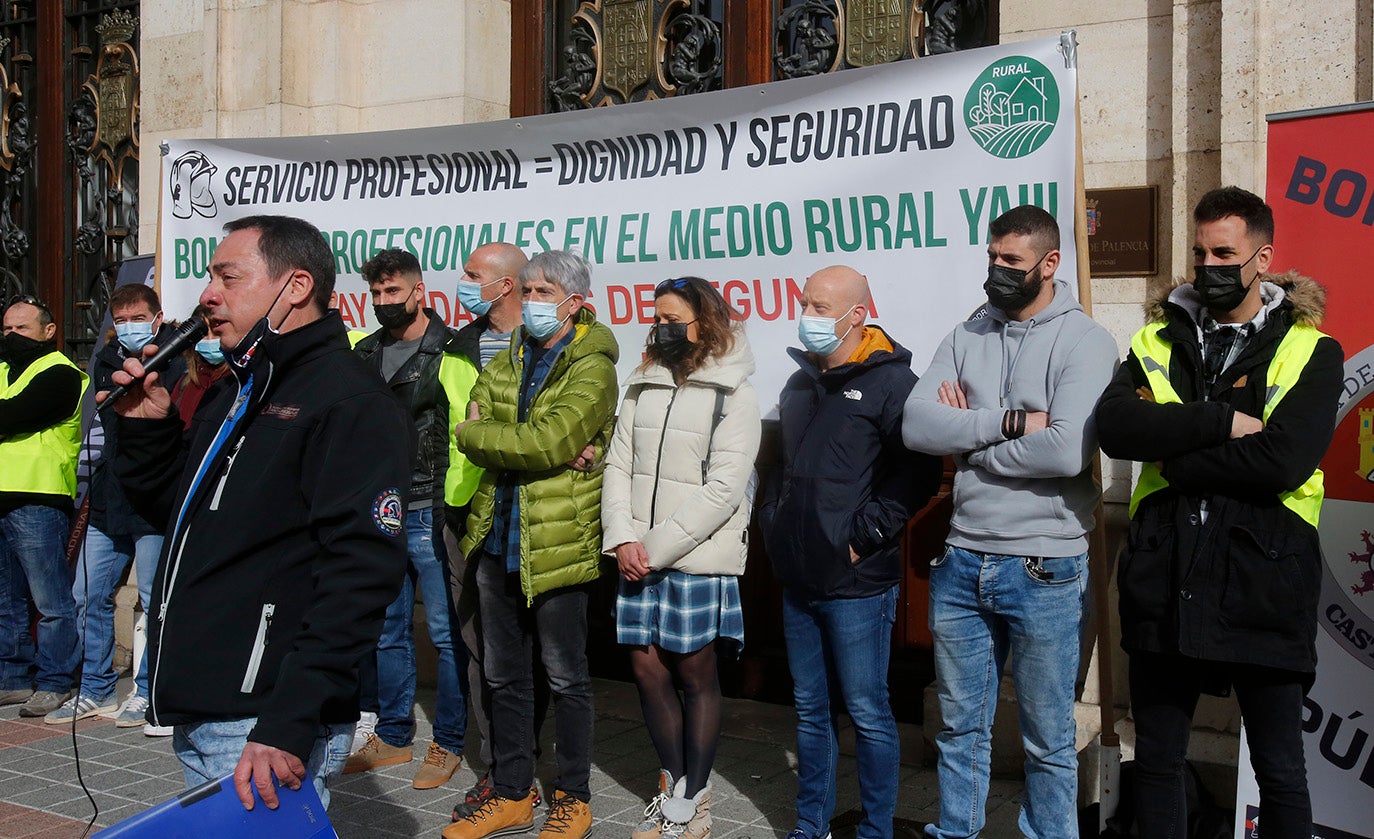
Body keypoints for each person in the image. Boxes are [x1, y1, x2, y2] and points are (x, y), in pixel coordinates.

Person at [106, 214, 410, 811]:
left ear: (294, 287)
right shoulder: (235, 388)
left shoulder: (350, 400)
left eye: (228, 276)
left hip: (260, 722)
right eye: (209, 276)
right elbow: (187, 519)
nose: (207, 294)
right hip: (207, 706)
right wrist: (149, 435)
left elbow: (360, 576)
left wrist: (290, 721)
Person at [1095, 187, 1342, 839]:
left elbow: (1283, 461)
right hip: (1163, 577)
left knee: (1280, 769)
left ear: (1263, 257)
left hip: (1264, 578)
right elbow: (1118, 427)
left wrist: (1176, 457)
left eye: (1224, 252)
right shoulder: (1155, 338)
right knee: (1157, 761)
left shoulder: (1312, 350)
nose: (1208, 265)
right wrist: (1220, 421)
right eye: (1200, 252)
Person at [902, 205, 1117, 839]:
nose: (997, 270)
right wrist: (1010, 421)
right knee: (959, 726)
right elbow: (917, 426)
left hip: (1043, 563)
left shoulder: (1085, 340)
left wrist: (967, 440)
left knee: (1047, 736)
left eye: (1012, 262)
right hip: (962, 556)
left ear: (1049, 265)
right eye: (992, 257)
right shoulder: (967, 334)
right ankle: (955, 831)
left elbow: (1065, 451)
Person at [760, 265, 940, 839]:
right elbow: (778, 468)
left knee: (867, 712)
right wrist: (774, 523)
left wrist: (863, 538)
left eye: (818, 307)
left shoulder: (892, 384)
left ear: (857, 315)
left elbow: (916, 474)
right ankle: (810, 825)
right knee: (811, 712)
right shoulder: (799, 382)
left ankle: (876, 830)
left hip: (857, 584)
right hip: (798, 576)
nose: (806, 316)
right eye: (805, 304)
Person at [444, 249, 618, 839]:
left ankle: (573, 796)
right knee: (503, 675)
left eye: (543, 292)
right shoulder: (512, 351)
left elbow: (549, 440)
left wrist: (483, 434)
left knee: (566, 677)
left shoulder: (593, 364)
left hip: (557, 545)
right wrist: (489, 435)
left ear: (574, 302)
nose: (532, 302)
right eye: (529, 290)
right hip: (496, 535)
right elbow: (478, 425)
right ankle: (514, 793)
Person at [602, 276, 761, 839]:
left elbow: (724, 488)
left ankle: (695, 802)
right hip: (635, 555)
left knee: (695, 675)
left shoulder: (733, 392)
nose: (661, 327)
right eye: (657, 316)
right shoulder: (642, 381)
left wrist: (655, 547)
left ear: (706, 321)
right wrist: (622, 538)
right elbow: (619, 465)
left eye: (673, 318)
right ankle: (670, 787)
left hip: (692, 557)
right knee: (646, 669)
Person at [344, 248, 467, 791]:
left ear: (418, 290)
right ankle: (393, 736)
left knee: (445, 633)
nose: (383, 302)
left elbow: (465, 426)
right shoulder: (363, 352)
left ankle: (450, 742)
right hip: (378, 509)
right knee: (386, 630)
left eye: (393, 292)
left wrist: (453, 508)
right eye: (375, 294)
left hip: (431, 506)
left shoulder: (451, 349)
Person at [442, 241, 553, 821]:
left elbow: (544, 434)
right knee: (479, 648)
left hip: (528, 512)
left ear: (505, 285)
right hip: (463, 508)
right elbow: (447, 426)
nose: (462, 282)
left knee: (529, 653)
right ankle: (501, 769)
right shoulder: (455, 345)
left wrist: (483, 435)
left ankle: (523, 767)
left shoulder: (545, 348)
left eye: (472, 274)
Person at [46, 283, 185, 728]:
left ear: (157, 318)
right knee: (87, 595)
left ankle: (148, 692)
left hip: (154, 499)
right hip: (109, 497)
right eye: (120, 319)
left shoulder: (177, 359)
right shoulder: (105, 361)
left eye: (137, 317)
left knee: (154, 599)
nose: (128, 326)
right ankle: (96, 689)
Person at [0, 295, 84, 718]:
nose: (12, 336)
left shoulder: (60, 371)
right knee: (5, 597)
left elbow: (16, 415)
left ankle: (54, 681)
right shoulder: (2, 369)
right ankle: (13, 678)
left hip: (38, 497)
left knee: (50, 599)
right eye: (7, 329)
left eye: (22, 329)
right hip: (2, 496)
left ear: (49, 331)